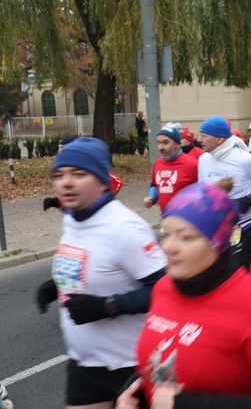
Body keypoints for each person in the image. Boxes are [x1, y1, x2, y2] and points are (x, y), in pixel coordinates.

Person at [117, 183, 251, 409]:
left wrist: (186, 404)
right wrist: (137, 391)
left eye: (185, 237)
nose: (168, 247)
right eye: (166, 234)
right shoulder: (163, 287)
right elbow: (166, 357)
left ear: (216, 243)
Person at [36, 137, 166, 408]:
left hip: (131, 365)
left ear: (102, 180)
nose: (66, 182)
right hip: (85, 364)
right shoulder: (74, 218)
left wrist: (108, 306)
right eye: (59, 175)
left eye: (78, 174)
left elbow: (166, 290)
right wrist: (56, 286)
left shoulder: (125, 227)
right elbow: (94, 265)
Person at [197, 116, 251, 270]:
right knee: (219, 273)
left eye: (204, 136)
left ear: (219, 139)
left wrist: (250, 199)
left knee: (238, 273)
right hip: (218, 226)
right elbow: (203, 190)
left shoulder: (245, 159)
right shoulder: (203, 159)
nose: (199, 139)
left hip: (246, 224)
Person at [43, 135, 124, 211]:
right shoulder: (65, 166)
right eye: (59, 148)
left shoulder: (87, 164)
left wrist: (101, 201)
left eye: (62, 147)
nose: (59, 151)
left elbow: (117, 182)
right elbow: (73, 194)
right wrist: (56, 202)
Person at [143, 123, 198, 211]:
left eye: (165, 142)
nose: (160, 147)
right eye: (159, 143)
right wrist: (152, 198)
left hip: (187, 221)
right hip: (166, 219)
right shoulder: (157, 164)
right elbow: (154, 185)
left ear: (177, 144)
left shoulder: (193, 164)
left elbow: (203, 193)